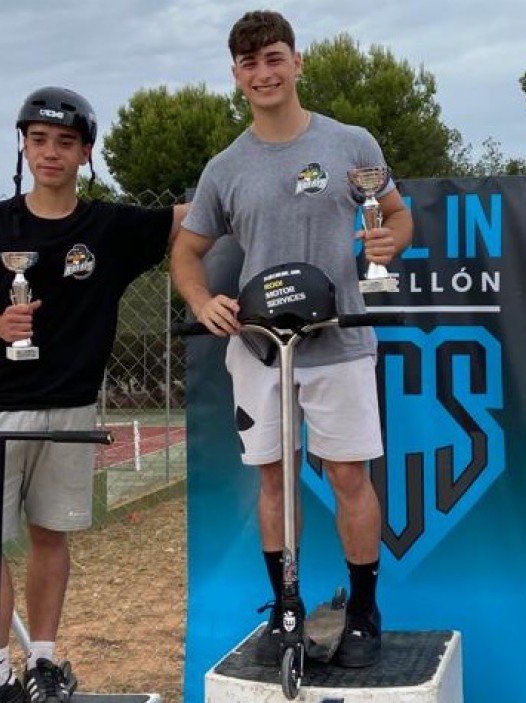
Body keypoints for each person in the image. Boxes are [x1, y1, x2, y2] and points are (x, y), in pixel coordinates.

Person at [0, 86, 184, 703]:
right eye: (39, 140)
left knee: (51, 537)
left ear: (85, 153)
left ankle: (43, 662)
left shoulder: (110, 226)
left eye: (65, 142)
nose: (51, 153)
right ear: (23, 144)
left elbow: (194, 216)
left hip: (71, 408)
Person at [170, 10, 413, 668]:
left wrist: (393, 238)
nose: (263, 73)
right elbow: (187, 254)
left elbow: (395, 212)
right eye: (249, 64)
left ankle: (363, 609)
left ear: (297, 62)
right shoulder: (225, 168)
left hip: (339, 344)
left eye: (273, 58)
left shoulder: (350, 144)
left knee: (348, 478)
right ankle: (287, 606)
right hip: (259, 347)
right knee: (273, 481)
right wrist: (201, 298)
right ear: (236, 77)